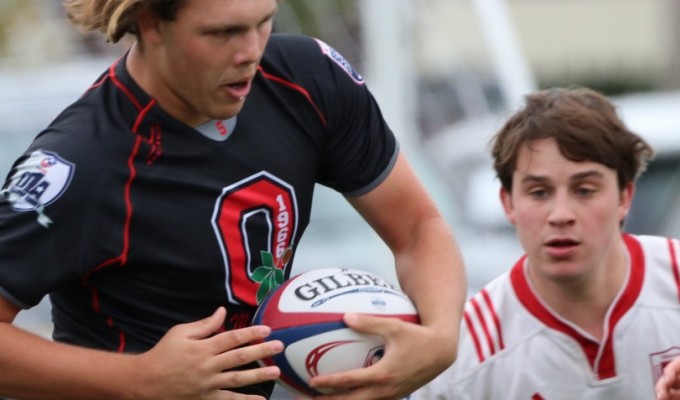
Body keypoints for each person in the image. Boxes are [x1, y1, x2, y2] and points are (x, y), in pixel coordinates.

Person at [0, 0, 467, 399]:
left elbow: (418, 228)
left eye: (264, 21)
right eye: (222, 32)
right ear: (149, 23)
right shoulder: (82, 162)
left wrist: (441, 337)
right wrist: (141, 380)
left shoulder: (310, 80)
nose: (250, 52)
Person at [408, 86, 680, 399]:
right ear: (508, 203)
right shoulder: (466, 356)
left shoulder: (674, 279)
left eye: (584, 190)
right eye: (539, 193)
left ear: (624, 196)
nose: (561, 215)